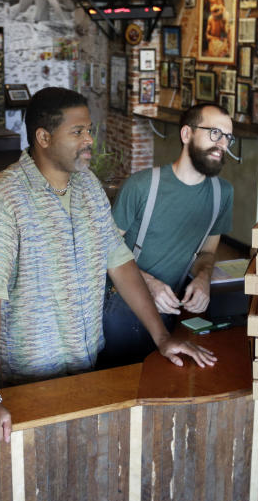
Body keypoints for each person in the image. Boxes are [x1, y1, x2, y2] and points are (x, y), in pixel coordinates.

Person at [0, 88, 216, 444]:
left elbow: (121, 263)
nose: (89, 140)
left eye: (90, 130)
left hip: (85, 367)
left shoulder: (88, 186)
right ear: (44, 137)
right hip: (28, 379)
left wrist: (161, 337)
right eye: (78, 131)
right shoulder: (4, 199)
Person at [100, 104, 234, 367]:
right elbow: (103, 252)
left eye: (228, 137)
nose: (223, 144)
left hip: (169, 308)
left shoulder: (223, 194)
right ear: (186, 134)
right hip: (119, 306)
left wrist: (204, 277)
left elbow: (207, 252)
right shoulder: (142, 186)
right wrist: (148, 282)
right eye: (215, 133)